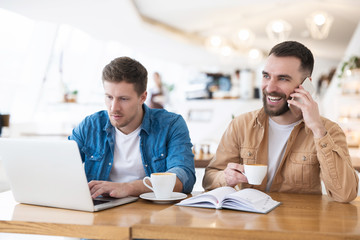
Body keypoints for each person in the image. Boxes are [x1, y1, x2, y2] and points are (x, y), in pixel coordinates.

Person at [203, 41, 359, 203]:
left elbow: (345, 194)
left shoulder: (328, 131)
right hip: (250, 223)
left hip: (298, 224)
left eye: (283, 78)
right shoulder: (241, 125)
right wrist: (226, 178)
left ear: (306, 85)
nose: (270, 87)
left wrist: (318, 130)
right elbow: (209, 178)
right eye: (266, 76)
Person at [69, 57, 195, 199]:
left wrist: (128, 187)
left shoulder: (171, 125)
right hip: (100, 211)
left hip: (151, 214)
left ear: (143, 97)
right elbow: (61, 165)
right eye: (109, 97)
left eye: (123, 99)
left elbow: (184, 177)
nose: (114, 108)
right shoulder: (90, 126)